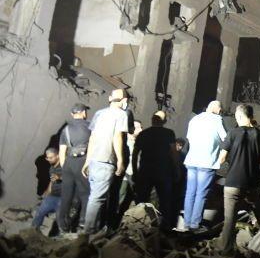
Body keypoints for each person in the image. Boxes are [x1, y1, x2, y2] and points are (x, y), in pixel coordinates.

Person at [216, 104, 260, 255]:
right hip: (253, 183)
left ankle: (225, 253)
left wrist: (233, 159)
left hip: (233, 182)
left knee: (229, 221)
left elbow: (221, 159)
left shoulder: (232, 133)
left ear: (239, 116)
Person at [83, 89, 130, 234]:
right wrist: (121, 160)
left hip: (94, 161)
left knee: (96, 196)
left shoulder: (99, 113)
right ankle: (88, 232)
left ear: (110, 98)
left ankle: (95, 229)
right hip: (106, 161)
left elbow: (92, 138)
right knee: (97, 198)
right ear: (124, 101)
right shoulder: (122, 114)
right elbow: (117, 137)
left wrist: (87, 161)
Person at [182, 100, 227, 231]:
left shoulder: (195, 119)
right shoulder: (217, 119)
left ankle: (186, 222)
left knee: (190, 192)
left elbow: (189, 138)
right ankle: (195, 224)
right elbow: (225, 138)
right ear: (218, 110)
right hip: (207, 161)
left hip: (192, 160)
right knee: (201, 193)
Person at [132, 111, 178, 231]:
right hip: (163, 172)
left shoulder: (143, 134)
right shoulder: (169, 133)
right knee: (164, 201)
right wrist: (176, 169)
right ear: (164, 121)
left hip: (145, 171)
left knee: (142, 200)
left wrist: (135, 172)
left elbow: (135, 154)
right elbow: (173, 153)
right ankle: (164, 227)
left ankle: (138, 224)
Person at [57, 103, 91, 233]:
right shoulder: (90, 126)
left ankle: (62, 222)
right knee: (85, 193)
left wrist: (65, 167)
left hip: (68, 162)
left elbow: (62, 151)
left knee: (66, 195)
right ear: (83, 113)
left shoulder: (66, 129)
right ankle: (83, 221)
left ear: (72, 114)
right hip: (82, 162)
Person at [32, 148, 62, 231]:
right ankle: (33, 231)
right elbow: (52, 182)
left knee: (60, 218)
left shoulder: (65, 166)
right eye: (47, 158)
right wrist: (47, 192)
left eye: (51, 157)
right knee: (39, 212)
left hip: (63, 196)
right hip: (53, 196)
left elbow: (72, 178)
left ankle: (63, 234)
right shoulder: (52, 168)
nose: (49, 160)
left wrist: (60, 177)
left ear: (58, 156)